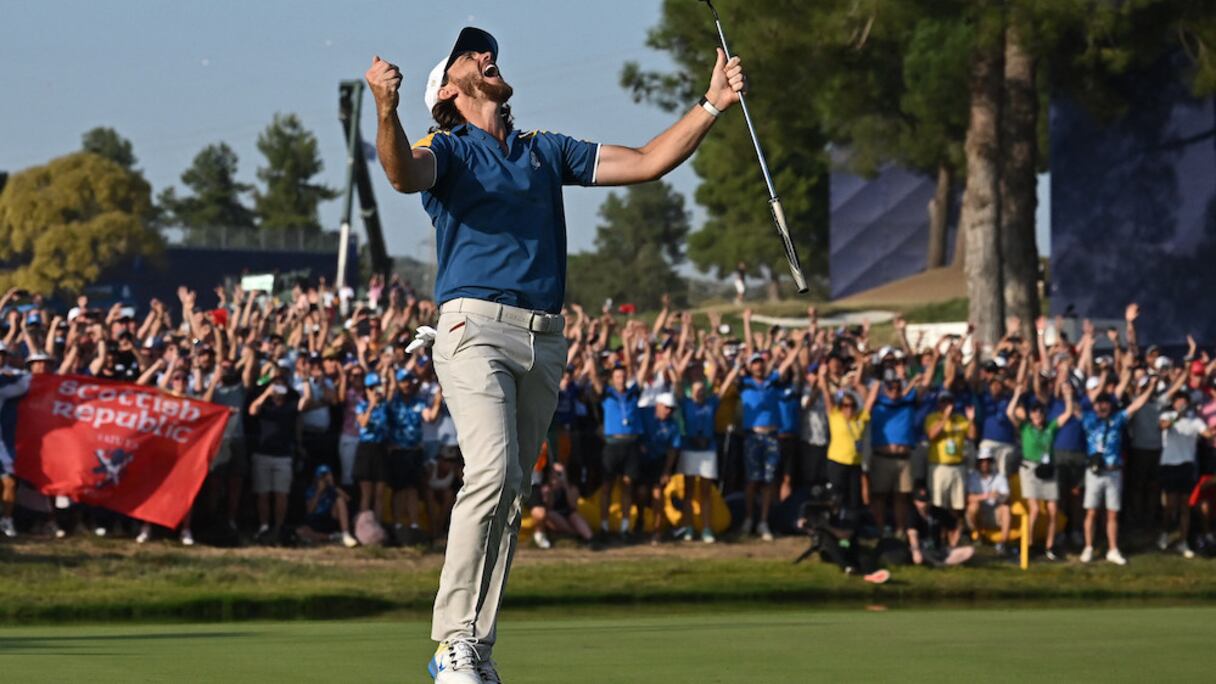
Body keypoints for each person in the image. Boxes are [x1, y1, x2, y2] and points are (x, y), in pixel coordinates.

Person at [366, 23, 747, 682]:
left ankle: (474, 650)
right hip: (472, 329)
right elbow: (402, 174)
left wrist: (710, 104)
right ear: (449, 91)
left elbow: (648, 161)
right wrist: (385, 109)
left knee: (512, 491)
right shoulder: (446, 148)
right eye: (471, 55)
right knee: (490, 472)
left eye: (488, 51)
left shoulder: (544, 151)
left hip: (543, 338)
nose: (488, 56)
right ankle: (451, 637)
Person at [1079, 370, 1154, 565]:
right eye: (1099, 403)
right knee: (1091, 512)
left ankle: (1113, 548)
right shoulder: (1089, 420)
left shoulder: (1117, 419)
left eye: (1106, 403)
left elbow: (1136, 405)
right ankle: (1088, 547)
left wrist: (1152, 387)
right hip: (1094, 471)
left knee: (1112, 513)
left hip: (1113, 471)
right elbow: (1077, 406)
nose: (1103, 406)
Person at [1007, 381, 1075, 560]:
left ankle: (1049, 547)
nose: (1037, 414)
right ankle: (1027, 545)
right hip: (1030, 469)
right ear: (1030, 414)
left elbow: (1067, 414)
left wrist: (1068, 396)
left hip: (1047, 469)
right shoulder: (1026, 428)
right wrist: (1016, 395)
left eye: (1040, 411)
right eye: (1034, 411)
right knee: (1035, 509)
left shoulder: (1050, 428)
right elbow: (1010, 413)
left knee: (1053, 510)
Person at [248, 370, 309, 544]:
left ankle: (279, 527)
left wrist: (305, 381)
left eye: (281, 383)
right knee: (263, 494)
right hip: (262, 453)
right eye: (276, 383)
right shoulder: (265, 405)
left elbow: (306, 402)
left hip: (283, 456)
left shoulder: (291, 404)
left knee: (281, 494)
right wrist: (266, 393)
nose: (278, 387)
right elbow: (253, 410)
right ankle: (264, 526)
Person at [818, 367, 878, 522]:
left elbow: (870, 402)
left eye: (851, 405)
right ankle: (833, 525)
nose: (848, 408)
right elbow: (826, 396)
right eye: (845, 405)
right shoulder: (835, 415)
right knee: (837, 496)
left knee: (853, 498)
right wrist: (823, 378)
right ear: (840, 406)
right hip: (837, 462)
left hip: (854, 464)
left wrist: (877, 382)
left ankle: (850, 528)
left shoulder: (860, 418)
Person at [1158, 392, 1210, 558]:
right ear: (1174, 403)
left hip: (1186, 466)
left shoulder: (1195, 421)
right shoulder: (1167, 415)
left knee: (1185, 506)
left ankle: (1183, 541)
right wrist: (1177, 417)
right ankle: (1165, 532)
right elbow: (1163, 426)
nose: (1181, 403)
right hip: (1169, 465)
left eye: (1184, 401)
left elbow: (1207, 434)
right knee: (1170, 504)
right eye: (1178, 400)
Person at [924, 392, 976, 550]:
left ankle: (954, 541)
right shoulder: (933, 418)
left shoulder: (960, 419)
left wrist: (971, 420)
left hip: (957, 467)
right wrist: (945, 418)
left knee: (957, 507)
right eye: (944, 402)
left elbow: (973, 435)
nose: (947, 405)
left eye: (949, 402)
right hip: (940, 466)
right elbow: (932, 435)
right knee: (939, 506)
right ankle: (939, 540)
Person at [639, 392, 682, 545]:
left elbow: (673, 450)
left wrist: (666, 471)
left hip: (659, 461)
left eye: (671, 408)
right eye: (666, 407)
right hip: (642, 460)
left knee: (658, 493)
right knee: (642, 493)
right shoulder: (644, 414)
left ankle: (656, 531)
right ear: (658, 405)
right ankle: (640, 525)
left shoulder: (673, 425)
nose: (669, 411)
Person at [353, 372, 391, 516]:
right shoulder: (361, 406)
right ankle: (365, 528)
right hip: (366, 450)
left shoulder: (385, 407)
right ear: (367, 390)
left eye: (378, 387)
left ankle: (378, 528)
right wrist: (371, 406)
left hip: (381, 448)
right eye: (371, 388)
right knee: (366, 493)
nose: (375, 391)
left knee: (380, 493)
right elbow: (363, 423)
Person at [296, 465, 359, 548]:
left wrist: (333, 486)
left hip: (330, 518)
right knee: (300, 531)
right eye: (322, 477)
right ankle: (332, 537)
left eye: (327, 476)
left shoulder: (334, 490)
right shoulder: (311, 491)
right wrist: (319, 492)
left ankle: (345, 534)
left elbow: (348, 501)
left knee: (339, 500)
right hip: (316, 520)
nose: (324, 479)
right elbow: (309, 510)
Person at [964, 451, 1011, 553]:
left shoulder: (999, 477)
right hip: (979, 514)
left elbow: (1007, 496)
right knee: (973, 507)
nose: (984, 463)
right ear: (978, 463)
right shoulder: (972, 476)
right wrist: (985, 496)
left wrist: (998, 496)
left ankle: (1003, 542)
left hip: (994, 513)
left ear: (991, 462)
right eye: (982, 461)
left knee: (1006, 508)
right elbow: (968, 497)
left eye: (987, 461)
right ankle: (978, 536)